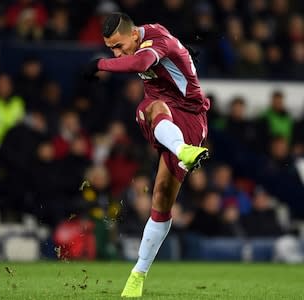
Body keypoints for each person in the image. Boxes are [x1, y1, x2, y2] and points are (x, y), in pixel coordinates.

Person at [83, 12, 209, 297]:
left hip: (190, 119)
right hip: (171, 119)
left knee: (149, 108)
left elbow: (142, 61)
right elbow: (164, 54)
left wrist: (101, 65)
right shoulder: (146, 39)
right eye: (109, 48)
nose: (116, 52)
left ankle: (182, 150)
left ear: (133, 34)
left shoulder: (153, 40)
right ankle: (137, 276)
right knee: (160, 197)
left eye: (118, 46)